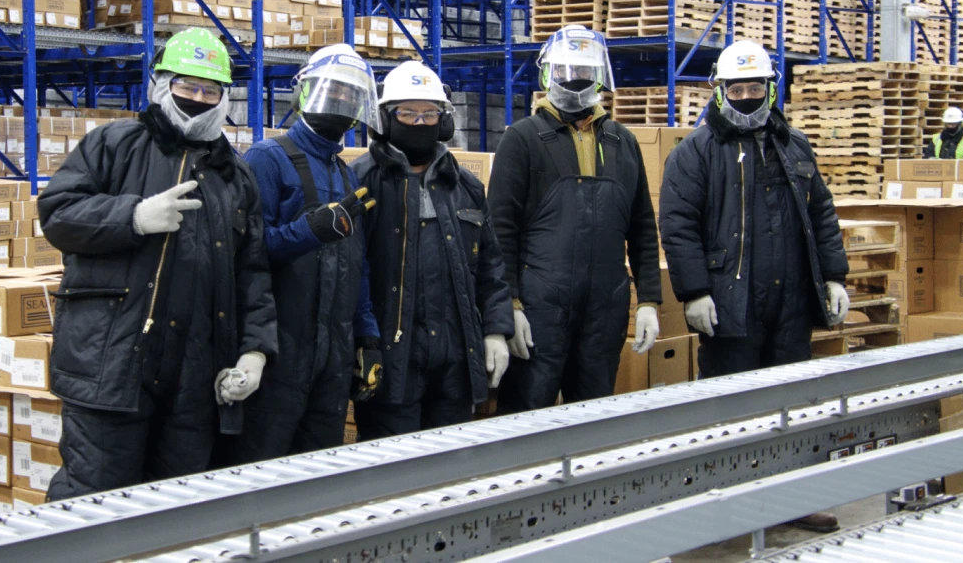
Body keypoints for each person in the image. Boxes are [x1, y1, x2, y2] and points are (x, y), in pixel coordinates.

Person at [39, 27, 277, 499]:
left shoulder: (235, 175)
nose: (198, 98)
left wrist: (256, 351)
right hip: (111, 365)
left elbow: (253, 274)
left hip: (194, 377)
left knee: (176, 508)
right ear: (161, 84)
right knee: (94, 500)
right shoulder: (113, 145)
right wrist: (132, 217)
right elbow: (58, 215)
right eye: (187, 86)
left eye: (210, 90)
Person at [658, 40, 849, 533]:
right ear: (718, 91)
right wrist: (695, 292)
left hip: (790, 301)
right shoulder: (695, 153)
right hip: (730, 304)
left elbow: (822, 213)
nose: (746, 96)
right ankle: (724, 505)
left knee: (791, 406)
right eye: (736, 87)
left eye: (754, 87)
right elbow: (677, 225)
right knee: (729, 407)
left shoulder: (794, 144)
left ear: (771, 88)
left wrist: (833, 275)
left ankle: (796, 499)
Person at [490, 25, 661, 414]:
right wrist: (509, 307)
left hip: (604, 309)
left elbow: (642, 227)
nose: (575, 80)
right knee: (527, 419)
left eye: (584, 71)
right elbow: (501, 230)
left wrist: (649, 299)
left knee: (592, 420)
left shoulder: (623, 141)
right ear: (548, 74)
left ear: (600, 76)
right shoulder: (522, 138)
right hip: (539, 312)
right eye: (565, 72)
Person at [228, 45, 383, 462]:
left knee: (317, 472)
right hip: (281, 350)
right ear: (305, 93)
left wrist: (367, 337)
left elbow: (358, 265)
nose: (342, 103)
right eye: (333, 92)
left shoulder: (346, 171)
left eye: (351, 96)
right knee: (261, 467)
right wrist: (307, 232)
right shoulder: (267, 159)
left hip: (331, 357)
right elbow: (247, 255)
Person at [351, 60, 513, 438]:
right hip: (390, 362)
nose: (420, 123)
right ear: (385, 118)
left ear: (444, 120)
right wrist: (360, 344)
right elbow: (349, 274)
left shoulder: (466, 185)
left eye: (430, 114)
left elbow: (490, 266)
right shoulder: (360, 182)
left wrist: (495, 330)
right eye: (407, 113)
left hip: (455, 363)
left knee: (451, 472)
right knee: (390, 473)